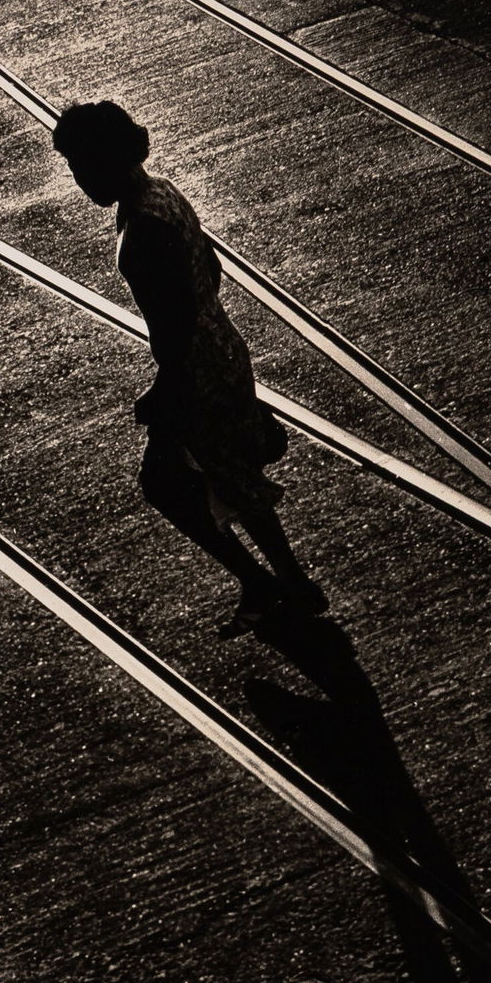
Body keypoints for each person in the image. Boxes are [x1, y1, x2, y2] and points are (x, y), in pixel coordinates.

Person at [52, 100, 326, 628]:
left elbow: (172, 322)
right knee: (231, 474)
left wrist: (163, 389)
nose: (78, 179)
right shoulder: (161, 194)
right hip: (219, 348)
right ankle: (284, 582)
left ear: (107, 160)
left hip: (193, 373)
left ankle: (269, 583)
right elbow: (210, 269)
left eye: (82, 165)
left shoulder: (142, 226)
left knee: (167, 484)